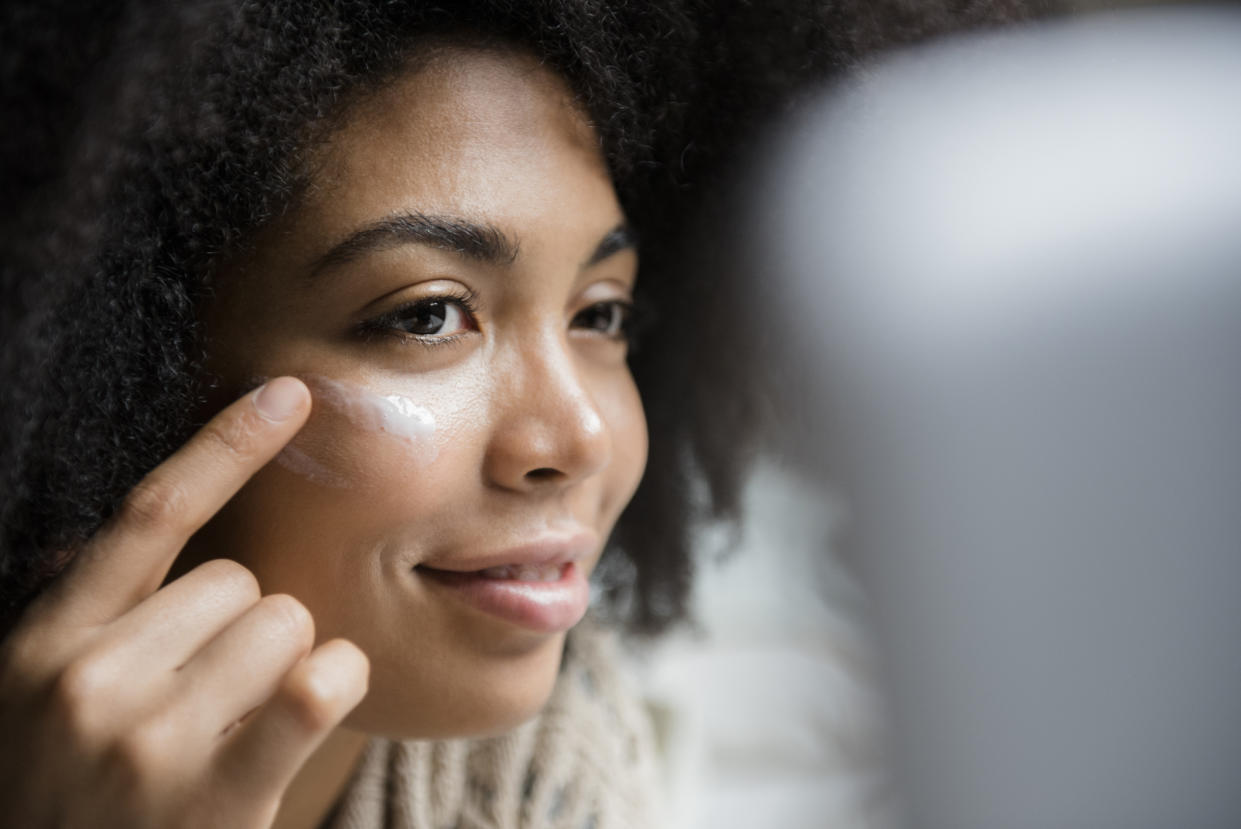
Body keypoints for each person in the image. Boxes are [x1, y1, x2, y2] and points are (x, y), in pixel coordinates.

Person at [0, 2, 1034, 827]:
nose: (576, 434)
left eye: (601, 313)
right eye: (428, 315)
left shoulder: (558, 769)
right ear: (124, 379)